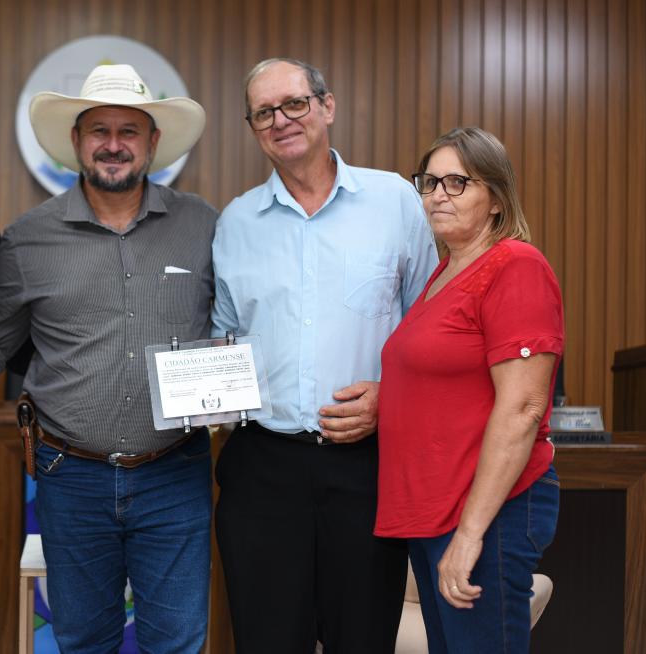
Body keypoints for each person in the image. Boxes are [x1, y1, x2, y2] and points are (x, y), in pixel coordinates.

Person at [0, 64, 217, 653]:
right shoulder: (27, 239)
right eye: (99, 131)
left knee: (178, 642)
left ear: (152, 142)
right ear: (76, 142)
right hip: (70, 476)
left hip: (175, 472)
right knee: (83, 641)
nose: (113, 145)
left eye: (128, 131)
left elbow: (240, 323)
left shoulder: (204, 225)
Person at [210, 58, 439, 654]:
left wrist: (391, 398)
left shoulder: (395, 201)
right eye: (264, 112)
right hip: (262, 469)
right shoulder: (235, 222)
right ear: (252, 127)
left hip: (367, 465)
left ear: (327, 106)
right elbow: (225, 338)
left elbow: (432, 328)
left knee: (362, 638)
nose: (281, 120)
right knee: (266, 641)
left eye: (294, 103)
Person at [375, 126, 563, 654]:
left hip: (485, 512)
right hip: (434, 507)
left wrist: (470, 534)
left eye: (458, 182)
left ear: (497, 199)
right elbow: (443, 379)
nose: (438, 194)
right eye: (430, 181)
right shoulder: (444, 274)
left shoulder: (515, 265)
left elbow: (524, 407)